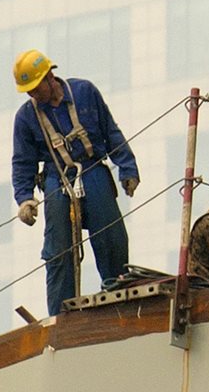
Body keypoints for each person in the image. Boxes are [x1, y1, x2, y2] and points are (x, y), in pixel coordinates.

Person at [10, 50, 140, 317]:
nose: (32, 95)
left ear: (49, 77)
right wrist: (24, 198)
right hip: (58, 179)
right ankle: (62, 316)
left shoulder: (84, 92)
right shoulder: (26, 118)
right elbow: (22, 162)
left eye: (35, 88)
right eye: (29, 91)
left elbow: (110, 131)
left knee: (111, 237)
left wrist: (127, 167)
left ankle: (118, 302)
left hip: (92, 169)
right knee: (58, 252)